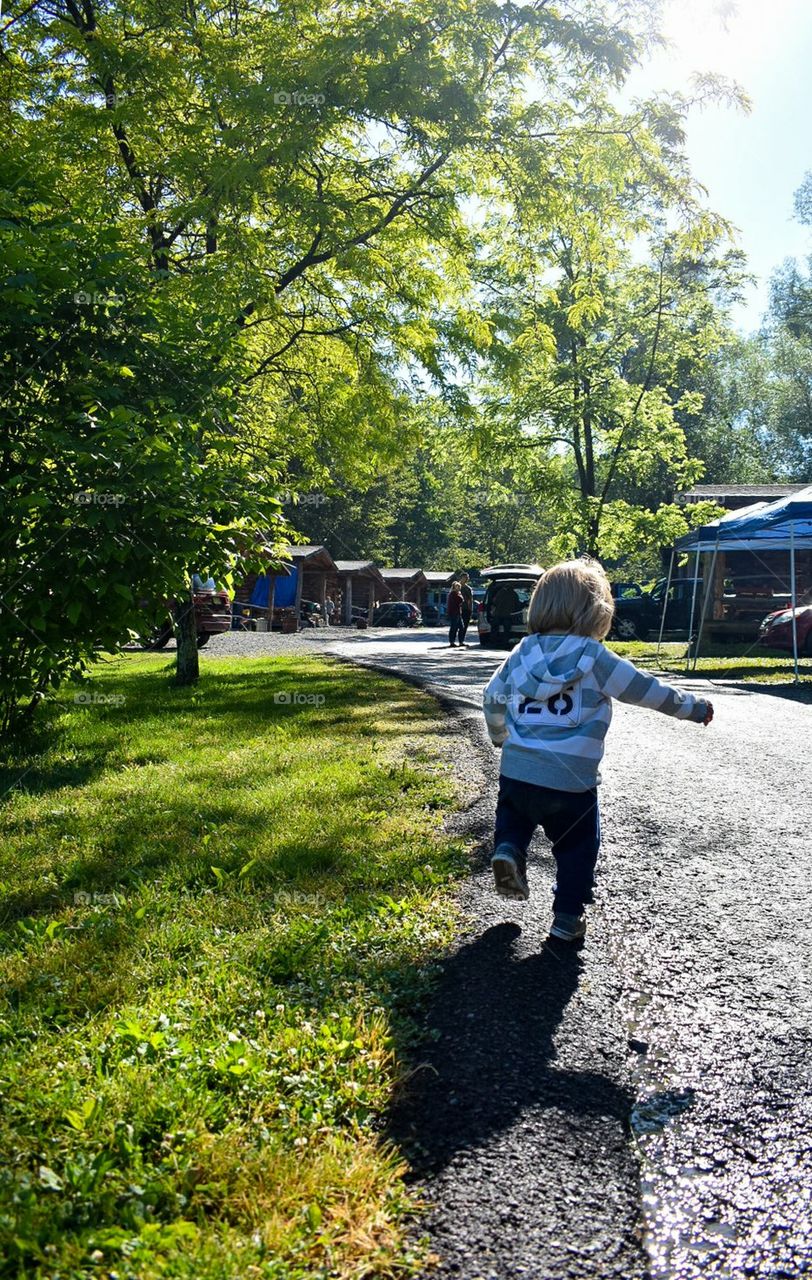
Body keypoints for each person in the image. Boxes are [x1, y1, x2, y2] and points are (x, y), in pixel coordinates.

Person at [482, 559, 714, 943]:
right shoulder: (595, 658)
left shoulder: (522, 652)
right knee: (577, 846)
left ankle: (509, 848)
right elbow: (646, 691)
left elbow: (492, 697)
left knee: (514, 818)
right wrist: (693, 707)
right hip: (571, 781)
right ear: (596, 610)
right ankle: (566, 917)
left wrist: (499, 736)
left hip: (518, 769)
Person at [447, 581, 465, 647]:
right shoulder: (453, 594)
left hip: (458, 613)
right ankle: (452, 642)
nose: (459, 588)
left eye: (459, 587)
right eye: (457, 587)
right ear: (454, 587)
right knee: (454, 627)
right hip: (454, 613)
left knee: (461, 627)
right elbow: (460, 600)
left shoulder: (456, 594)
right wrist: (460, 595)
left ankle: (461, 641)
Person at [459, 572, 474, 644]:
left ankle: (461, 641)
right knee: (456, 626)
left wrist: (470, 609)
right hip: (457, 609)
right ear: (461, 578)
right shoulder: (456, 587)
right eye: (465, 577)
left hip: (466, 609)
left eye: (467, 578)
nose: (466, 579)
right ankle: (452, 641)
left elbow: (470, 600)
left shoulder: (468, 588)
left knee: (464, 625)